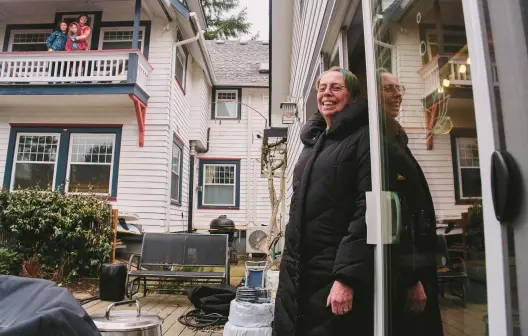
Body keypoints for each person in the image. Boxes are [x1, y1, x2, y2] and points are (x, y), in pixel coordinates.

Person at [273, 66, 374, 336]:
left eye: (336, 87)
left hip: (332, 276)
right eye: (322, 87)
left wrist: (347, 277)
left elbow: (367, 211)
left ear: (351, 96)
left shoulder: (362, 139)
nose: (326, 93)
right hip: (297, 271)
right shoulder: (312, 146)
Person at [377, 68, 443, 336]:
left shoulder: (396, 137)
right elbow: (392, 214)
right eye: (388, 88)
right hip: (405, 270)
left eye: (398, 88)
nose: (397, 95)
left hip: (418, 262)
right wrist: (411, 277)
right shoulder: (379, 142)